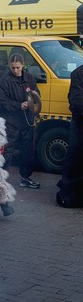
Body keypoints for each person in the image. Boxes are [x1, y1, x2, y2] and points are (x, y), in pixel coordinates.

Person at [0, 53, 41, 189]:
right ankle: (1, 179)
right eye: (13, 68)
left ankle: (26, 178)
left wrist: (32, 102)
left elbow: (37, 95)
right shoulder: (4, 80)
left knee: (27, 150)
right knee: (7, 151)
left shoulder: (30, 78)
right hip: (11, 121)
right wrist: (18, 105)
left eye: (18, 67)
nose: (15, 70)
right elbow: (2, 101)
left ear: (23, 65)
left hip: (27, 120)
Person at [56, 65, 83, 207]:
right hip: (80, 126)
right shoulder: (78, 74)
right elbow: (77, 102)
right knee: (75, 158)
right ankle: (70, 194)